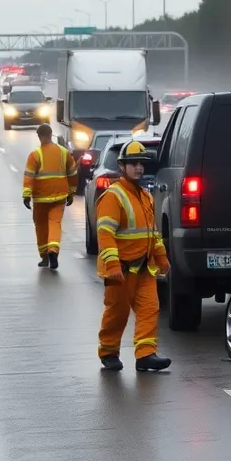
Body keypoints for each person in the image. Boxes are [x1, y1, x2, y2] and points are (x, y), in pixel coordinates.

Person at [96, 139, 172, 372]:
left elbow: (153, 234)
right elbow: (105, 233)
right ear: (122, 167)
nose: (139, 168)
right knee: (117, 314)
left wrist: (162, 259)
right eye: (133, 164)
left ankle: (145, 355)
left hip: (144, 268)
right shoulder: (113, 196)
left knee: (150, 309)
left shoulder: (145, 196)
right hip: (121, 270)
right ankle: (108, 351)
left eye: (141, 164)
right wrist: (112, 264)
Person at [21, 123, 77, 270]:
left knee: (40, 226)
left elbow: (29, 177)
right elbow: (72, 173)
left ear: (40, 137)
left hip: (40, 198)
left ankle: (44, 256)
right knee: (55, 223)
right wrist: (71, 192)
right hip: (59, 196)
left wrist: (26, 195)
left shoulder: (35, 155)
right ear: (51, 134)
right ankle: (53, 250)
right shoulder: (64, 153)